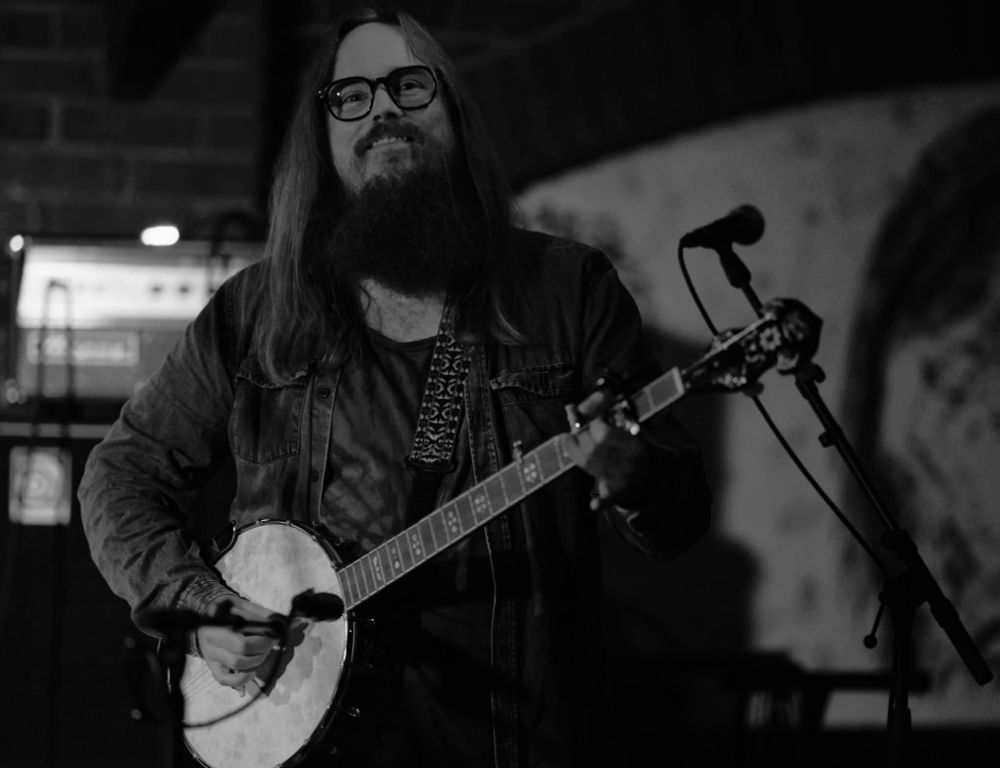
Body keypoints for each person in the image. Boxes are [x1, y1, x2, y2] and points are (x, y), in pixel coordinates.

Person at [79, 5, 712, 766]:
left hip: (513, 742)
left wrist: (632, 471)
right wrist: (199, 606)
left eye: (411, 86)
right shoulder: (257, 311)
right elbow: (120, 476)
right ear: (326, 136)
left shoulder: (566, 290)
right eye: (352, 96)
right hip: (303, 744)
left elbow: (679, 518)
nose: (383, 109)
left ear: (454, 113)